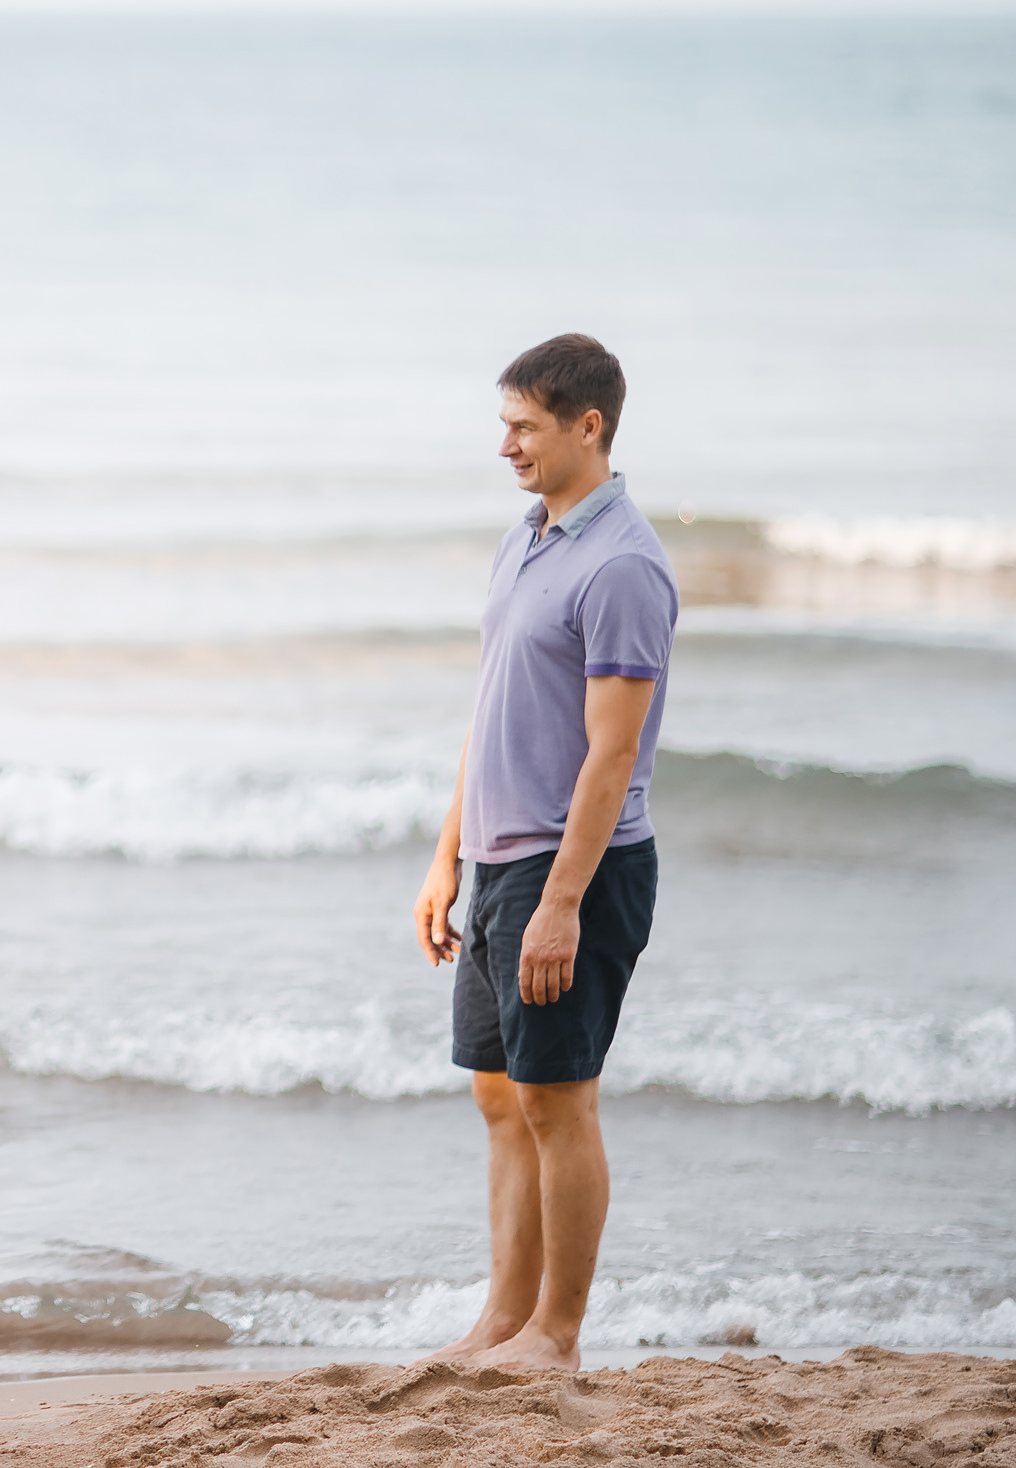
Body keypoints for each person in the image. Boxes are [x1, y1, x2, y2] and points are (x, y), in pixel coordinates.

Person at [409, 335, 677, 1373]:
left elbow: (612, 756)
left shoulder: (622, 566)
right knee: (496, 1092)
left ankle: (554, 1336)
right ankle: (500, 1322)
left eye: (522, 426)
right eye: (505, 424)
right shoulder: (526, 539)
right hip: (496, 862)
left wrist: (561, 901)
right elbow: (493, 716)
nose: (506, 446)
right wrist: (447, 858)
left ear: (587, 425)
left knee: (559, 1099)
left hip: (577, 868)